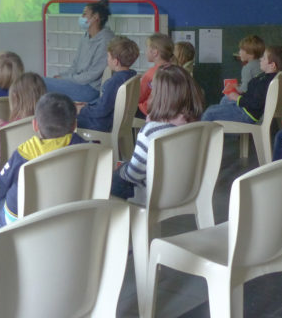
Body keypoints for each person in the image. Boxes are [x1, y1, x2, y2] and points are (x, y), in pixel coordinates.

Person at [0, 92, 86, 226]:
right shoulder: (83, 147)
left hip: (21, 220)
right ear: (74, 125)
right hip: (64, 213)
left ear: (35, 125)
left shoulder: (25, 152)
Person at [111, 65, 204, 200]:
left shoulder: (151, 131)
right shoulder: (198, 126)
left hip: (152, 196)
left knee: (113, 178)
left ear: (159, 96)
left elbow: (134, 175)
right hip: (187, 193)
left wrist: (121, 171)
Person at [44, 0, 115, 102]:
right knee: (38, 82)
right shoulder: (85, 37)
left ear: (95, 17)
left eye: (84, 14)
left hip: (90, 89)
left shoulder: (106, 40)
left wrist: (66, 78)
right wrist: (63, 76)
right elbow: (75, 65)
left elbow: (92, 75)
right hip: (78, 83)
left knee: (38, 82)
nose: (81, 17)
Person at [200, 45, 282, 124]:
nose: (260, 59)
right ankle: (224, 127)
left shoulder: (265, 83)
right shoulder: (266, 77)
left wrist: (238, 98)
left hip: (246, 115)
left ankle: (199, 137)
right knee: (223, 101)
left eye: (264, 58)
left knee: (209, 113)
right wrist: (239, 95)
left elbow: (255, 104)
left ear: (272, 65)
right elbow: (253, 95)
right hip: (246, 109)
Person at [0, 72, 47, 181]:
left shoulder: (4, 129)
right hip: (39, 175)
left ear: (15, 98)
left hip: (8, 178)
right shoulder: (49, 124)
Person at [76, 36, 139, 132]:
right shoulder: (131, 76)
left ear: (115, 62)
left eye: (108, 56)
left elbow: (102, 110)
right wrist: (89, 105)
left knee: (67, 119)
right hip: (113, 121)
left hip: (102, 124)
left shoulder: (114, 82)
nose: (107, 59)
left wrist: (82, 110)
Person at [137, 33, 173, 118]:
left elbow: (139, 97)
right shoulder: (176, 70)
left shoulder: (150, 74)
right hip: (170, 112)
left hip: (150, 112)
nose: (145, 51)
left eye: (147, 48)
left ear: (155, 52)